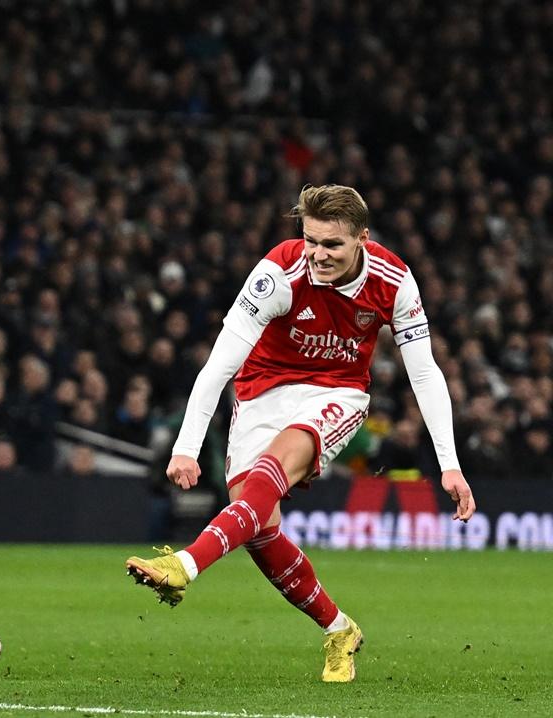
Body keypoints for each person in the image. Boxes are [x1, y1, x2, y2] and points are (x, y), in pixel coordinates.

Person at [124, 185, 476, 682]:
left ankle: (186, 563)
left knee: (275, 467)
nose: (318, 254)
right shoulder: (278, 274)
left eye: (332, 244)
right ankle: (339, 629)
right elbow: (219, 365)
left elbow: (425, 374)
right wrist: (186, 446)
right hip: (261, 392)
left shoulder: (394, 280)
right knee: (259, 528)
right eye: (311, 240)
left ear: (362, 239)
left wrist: (449, 464)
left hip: (336, 393)